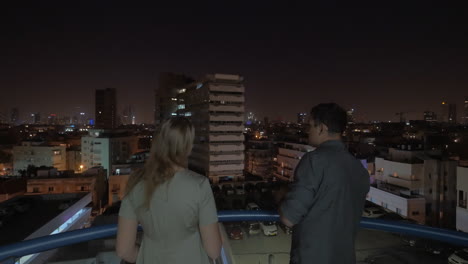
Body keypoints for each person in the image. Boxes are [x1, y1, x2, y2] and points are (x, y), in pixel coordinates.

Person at [116, 117, 222, 264]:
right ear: (188, 147)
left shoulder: (135, 183)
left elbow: (123, 250)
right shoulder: (199, 185)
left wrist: (146, 256)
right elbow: (214, 250)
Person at [279, 103, 370, 264]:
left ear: (321, 128)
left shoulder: (314, 160)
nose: (308, 131)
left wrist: (280, 197)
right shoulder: (359, 168)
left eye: (310, 126)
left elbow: (289, 218)